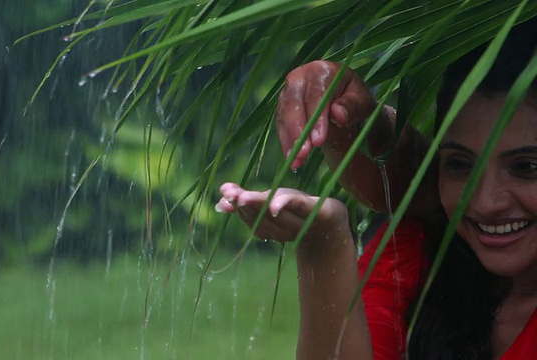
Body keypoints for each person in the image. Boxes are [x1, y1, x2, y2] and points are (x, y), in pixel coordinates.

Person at [216, 18, 537, 359]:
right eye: (459, 164)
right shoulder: (412, 260)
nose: (486, 202)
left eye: (527, 168)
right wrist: (324, 241)